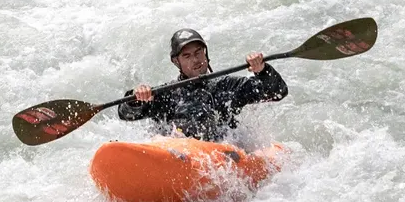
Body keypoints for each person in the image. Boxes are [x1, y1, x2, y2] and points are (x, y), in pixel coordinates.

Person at [116, 29, 288, 143]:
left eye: (199, 53)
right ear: (176, 61)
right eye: (187, 56)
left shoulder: (228, 86)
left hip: (221, 156)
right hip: (177, 154)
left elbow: (278, 92)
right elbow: (125, 114)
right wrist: (136, 98)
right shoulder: (166, 94)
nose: (196, 60)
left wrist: (262, 70)